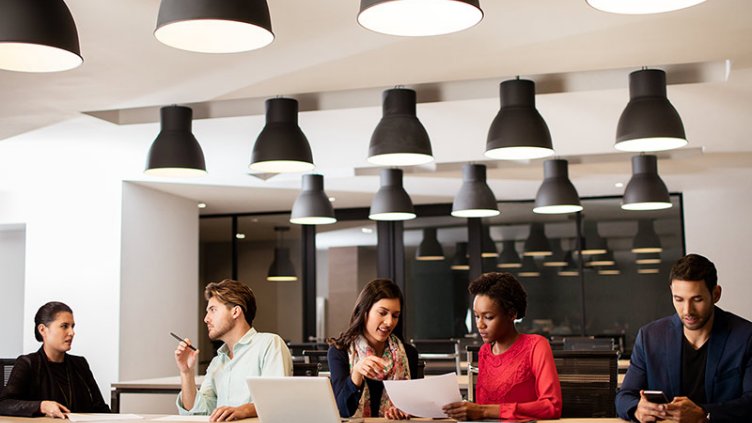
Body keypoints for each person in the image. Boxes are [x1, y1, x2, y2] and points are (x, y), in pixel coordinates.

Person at [615, 254, 752, 422]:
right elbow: (624, 396)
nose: (687, 310)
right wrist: (637, 409)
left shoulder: (746, 337)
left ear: (716, 294)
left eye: (697, 299)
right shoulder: (650, 337)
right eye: (678, 299)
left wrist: (704, 414)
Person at [443, 272, 562, 421]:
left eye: (488, 317)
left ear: (511, 314)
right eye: (476, 316)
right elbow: (483, 408)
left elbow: (552, 406)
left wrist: (482, 411)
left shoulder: (536, 346)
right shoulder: (485, 352)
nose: (480, 325)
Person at [174, 279, 292, 421]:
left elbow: (276, 401)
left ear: (235, 312)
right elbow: (197, 413)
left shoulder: (269, 344)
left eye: (213, 310)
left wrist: (243, 410)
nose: (206, 319)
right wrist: (186, 372)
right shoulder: (217, 362)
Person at [327, 279, 419, 420]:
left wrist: (403, 412)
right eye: (382, 313)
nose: (389, 322)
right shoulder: (340, 351)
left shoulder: (408, 354)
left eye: (395, 316)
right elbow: (343, 411)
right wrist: (356, 374)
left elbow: (416, 407)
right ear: (364, 312)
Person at [0, 302, 110, 418]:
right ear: (43, 330)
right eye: (64, 326)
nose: (72, 333)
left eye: (72, 326)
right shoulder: (28, 363)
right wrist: (41, 406)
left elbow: (101, 408)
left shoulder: (80, 364)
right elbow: (3, 403)